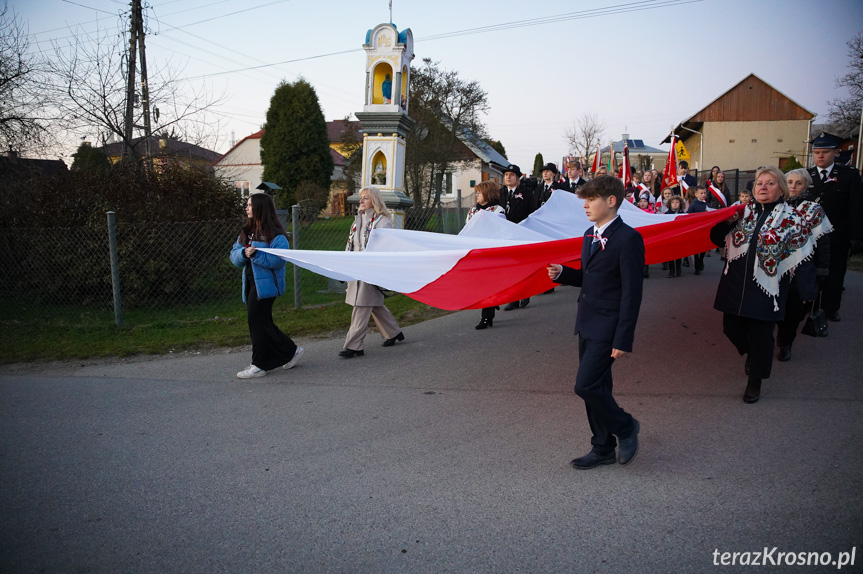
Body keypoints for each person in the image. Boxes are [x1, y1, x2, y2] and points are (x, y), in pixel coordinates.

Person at [546, 175, 644, 469]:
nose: (585, 205)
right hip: (586, 322)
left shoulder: (629, 239)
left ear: (611, 201)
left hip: (609, 326)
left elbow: (632, 293)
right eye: (584, 199)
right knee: (598, 387)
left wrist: (623, 338)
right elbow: (591, 280)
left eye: (591, 199)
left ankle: (626, 427)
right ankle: (602, 446)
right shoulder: (590, 234)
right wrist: (565, 273)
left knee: (585, 386)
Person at [710, 167, 820, 403]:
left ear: (781, 189)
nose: (763, 187)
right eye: (759, 183)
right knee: (731, 329)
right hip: (736, 283)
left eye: (770, 183)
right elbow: (716, 239)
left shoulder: (792, 218)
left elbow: (803, 255)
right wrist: (726, 222)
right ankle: (754, 354)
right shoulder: (741, 213)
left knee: (762, 336)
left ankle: (755, 382)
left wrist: (807, 291)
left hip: (769, 287)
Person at [230, 193, 303, 378]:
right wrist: (244, 254)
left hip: (268, 287)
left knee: (256, 322)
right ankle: (291, 351)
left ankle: (259, 365)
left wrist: (255, 255)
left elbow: (278, 261)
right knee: (263, 322)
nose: (246, 208)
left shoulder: (276, 234)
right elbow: (234, 255)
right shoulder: (247, 231)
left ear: (260, 208)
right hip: (250, 283)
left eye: (249, 205)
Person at [341, 186, 405, 358]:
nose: (361, 201)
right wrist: (344, 266)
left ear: (374, 201)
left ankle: (354, 345)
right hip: (356, 269)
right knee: (373, 303)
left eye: (366, 198)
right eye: (361, 197)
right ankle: (394, 332)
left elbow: (387, 248)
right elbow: (353, 246)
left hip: (371, 271)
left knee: (361, 305)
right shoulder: (357, 221)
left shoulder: (382, 222)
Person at [776, 169, 832, 361]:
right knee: (772, 307)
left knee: (793, 311)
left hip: (801, 269)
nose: (792, 186)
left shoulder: (814, 210)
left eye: (798, 183)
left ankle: (786, 343)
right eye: (789, 181)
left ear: (806, 185)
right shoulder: (776, 205)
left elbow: (823, 242)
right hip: (776, 268)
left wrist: (822, 270)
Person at [807, 132, 863, 322]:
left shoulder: (849, 176)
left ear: (836, 153)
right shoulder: (806, 175)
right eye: (817, 152)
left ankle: (830, 308)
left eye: (825, 152)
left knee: (835, 274)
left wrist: (856, 236)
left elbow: (855, 207)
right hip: (809, 237)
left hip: (837, 236)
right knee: (810, 273)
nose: (820, 156)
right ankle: (810, 306)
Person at [467, 181, 506, 329]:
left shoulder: (498, 210)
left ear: (488, 194)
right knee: (480, 284)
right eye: (476, 192)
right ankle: (492, 302)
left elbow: (499, 231)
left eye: (479, 192)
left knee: (488, 283)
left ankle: (486, 316)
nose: (476, 195)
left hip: (491, 253)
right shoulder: (472, 210)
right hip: (476, 252)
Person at [499, 164, 537, 310]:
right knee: (510, 267)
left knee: (522, 265)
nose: (508, 177)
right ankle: (513, 298)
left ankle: (525, 292)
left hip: (521, 233)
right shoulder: (501, 192)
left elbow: (531, 213)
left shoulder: (526, 192)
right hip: (505, 235)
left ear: (517, 177)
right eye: (506, 174)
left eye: (511, 175)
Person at [687, 185, 709, 275]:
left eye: (704, 193)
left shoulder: (706, 204)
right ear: (696, 194)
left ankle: (701, 259)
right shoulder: (693, 205)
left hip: (705, 228)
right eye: (701, 193)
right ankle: (697, 266)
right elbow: (689, 217)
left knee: (703, 246)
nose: (703, 195)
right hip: (696, 229)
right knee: (696, 248)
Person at [664, 195, 686, 277]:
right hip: (670, 237)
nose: (675, 204)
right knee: (670, 255)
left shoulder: (684, 214)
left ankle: (678, 269)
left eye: (677, 202)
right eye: (673, 202)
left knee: (678, 254)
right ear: (669, 204)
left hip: (679, 237)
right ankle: (671, 271)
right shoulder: (666, 214)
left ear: (680, 204)